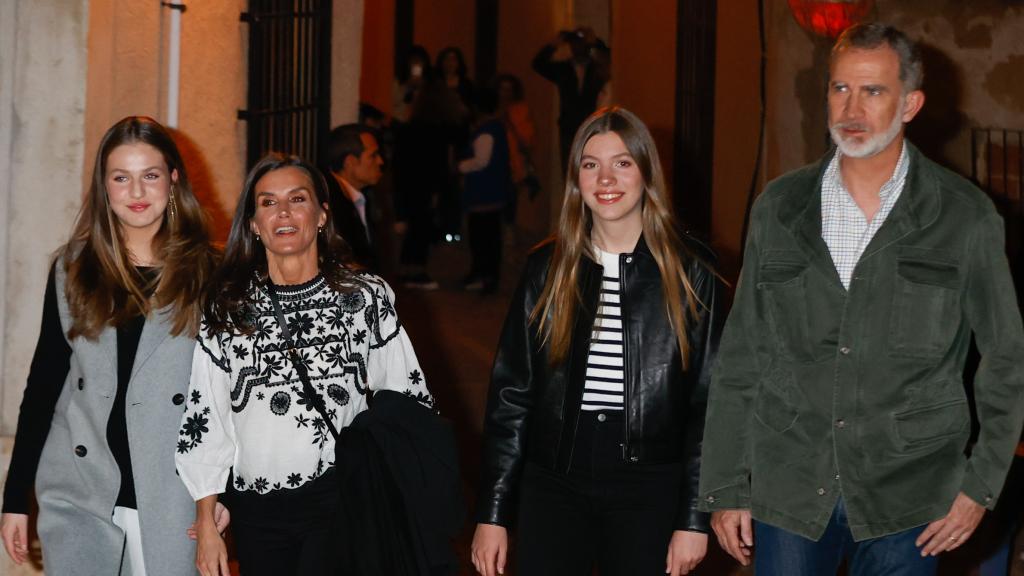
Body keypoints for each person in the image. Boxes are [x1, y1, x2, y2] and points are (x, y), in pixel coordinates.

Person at [699, 23, 1024, 576]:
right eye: (840, 88)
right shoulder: (779, 208)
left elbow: (1006, 359)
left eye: (872, 91)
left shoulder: (964, 218)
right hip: (792, 485)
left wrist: (980, 486)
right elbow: (742, 355)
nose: (852, 107)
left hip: (912, 496)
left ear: (911, 103)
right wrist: (726, 482)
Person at [471, 107, 722, 576]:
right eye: (591, 164)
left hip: (649, 485)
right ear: (576, 179)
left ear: (647, 172)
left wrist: (694, 518)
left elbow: (709, 404)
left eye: (623, 162)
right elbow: (511, 396)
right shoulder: (547, 267)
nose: (606, 177)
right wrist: (494, 512)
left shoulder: (691, 270)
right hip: (553, 482)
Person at [175, 153, 434, 576]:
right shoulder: (227, 306)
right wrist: (207, 517)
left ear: (321, 215)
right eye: (268, 202)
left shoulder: (364, 296)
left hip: (339, 496)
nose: (284, 213)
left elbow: (408, 396)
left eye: (298, 199)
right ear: (254, 224)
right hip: (256, 507)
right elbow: (206, 415)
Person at [0, 116, 221, 575]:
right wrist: (14, 497)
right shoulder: (73, 269)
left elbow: (230, 397)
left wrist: (224, 495)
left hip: (173, 494)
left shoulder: (210, 272)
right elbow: (43, 385)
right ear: (104, 187)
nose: (137, 192)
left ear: (173, 179)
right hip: (82, 489)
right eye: (121, 178)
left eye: (150, 175)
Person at [532, 28, 610, 171]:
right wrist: (554, 44)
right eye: (574, 44)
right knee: (569, 169)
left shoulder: (597, 70)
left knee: (590, 166)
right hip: (568, 127)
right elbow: (538, 64)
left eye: (581, 43)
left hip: (591, 126)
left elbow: (610, 59)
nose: (578, 47)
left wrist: (595, 41)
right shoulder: (563, 69)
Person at [457, 87, 510, 294]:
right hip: (491, 193)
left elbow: (481, 161)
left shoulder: (486, 131)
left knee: (482, 238)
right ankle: (484, 274)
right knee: (488, 237)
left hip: (484, 194)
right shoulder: (495, 128)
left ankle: (484, 275)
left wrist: (460, 166)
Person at [323, 123, 384, 270]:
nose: (380, 161)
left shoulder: (362, 195)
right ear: (350, 162)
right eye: (373, 156)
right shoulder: (329, 202)